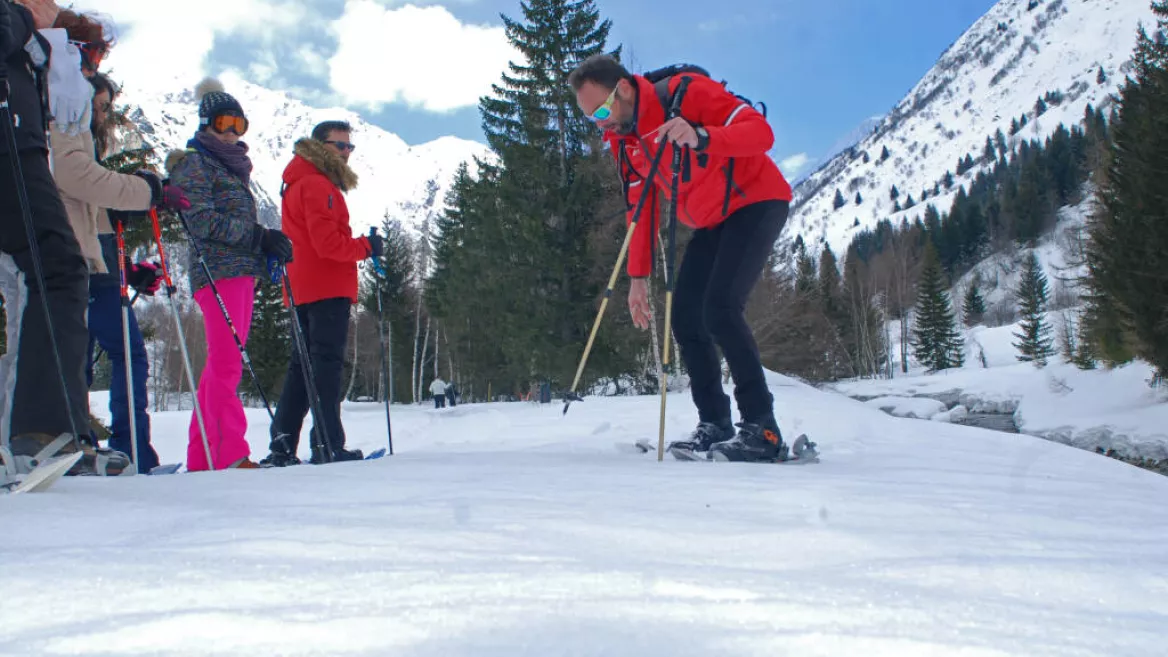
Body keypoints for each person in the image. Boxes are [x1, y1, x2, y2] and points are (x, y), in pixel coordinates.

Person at [568, 54, 794, 463]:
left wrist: (703, 136)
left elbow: (761, 134)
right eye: (590, 118)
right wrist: (638, 280)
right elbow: (642, 209)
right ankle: (715, 424)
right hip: (711, 221)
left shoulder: (687, 93)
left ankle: (763, 428)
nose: (600, 124)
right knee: (687, 317)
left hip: (757, 201)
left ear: (622, 88)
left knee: (721, 309)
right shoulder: (624, 141)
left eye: (601, 111)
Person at [0, 0, 122, 476]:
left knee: (55, 280)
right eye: (84, 51)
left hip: (20, 144)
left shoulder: (51, 69)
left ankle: (54, 432)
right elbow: (76, 174)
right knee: (54, 275)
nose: (87, 64)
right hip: (11, 145)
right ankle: (40, 433)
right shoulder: (22, 21)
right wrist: (28, 19)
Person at [53, 67, 186, 474]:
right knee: (125, 355)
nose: (100, 112)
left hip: (98, 267)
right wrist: (145, 192)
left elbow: (91, 216)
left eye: (106, 107)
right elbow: (80, 189)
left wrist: (130, 270)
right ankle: (126, 451)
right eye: (97, 104)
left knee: (85, 356)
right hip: (82, 267)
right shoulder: (66, 133)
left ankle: (90, 446)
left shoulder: (84, 138)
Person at [166, 77, 293, 471]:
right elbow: (200, 220)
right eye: (224, 123)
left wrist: (265, 246)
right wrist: (258, 236)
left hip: (238, 272)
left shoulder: (227, 167)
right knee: (227, 362)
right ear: (206, 123)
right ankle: (228, 452)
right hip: (218, 270)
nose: (233, 132)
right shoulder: (195, 163)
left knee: (221, 362)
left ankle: (203, 455)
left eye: (240, 124)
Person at [260, 120, 381, 467]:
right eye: (339, 145)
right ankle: (327, 443)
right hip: (326, 286)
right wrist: (368, 247)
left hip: (300, 286)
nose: (345, 153)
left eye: (349, 147)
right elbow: (328, 244)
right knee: (325, 365)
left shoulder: (297, 181)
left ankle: (282, 446)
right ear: (320, 146)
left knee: (302, 367)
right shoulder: (318, 184)